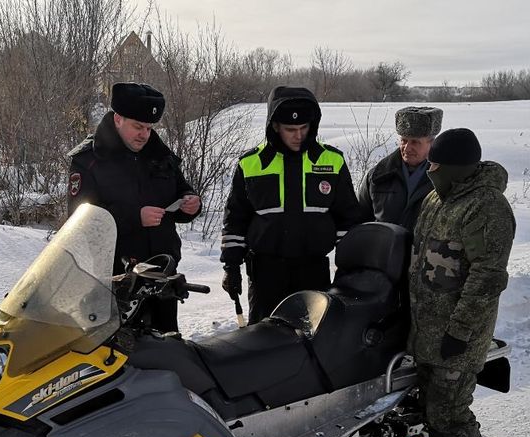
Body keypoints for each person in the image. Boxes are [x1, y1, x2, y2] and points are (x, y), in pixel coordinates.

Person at [397, 128, 515, 437]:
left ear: (456, 168)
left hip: (457, 333)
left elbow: (487, 279)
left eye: (435, 163)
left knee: (451, 411)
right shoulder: (438, 197)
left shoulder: (487, 207)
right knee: (431, 405)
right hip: (427, 328)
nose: (428, 167)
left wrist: (459, 332)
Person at [220, 86, 371, 324]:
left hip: (313, 270)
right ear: (275, 126)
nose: (298, 135)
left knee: (314, 339)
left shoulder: (332, 161)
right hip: (265, 272)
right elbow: (235, 219)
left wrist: (348, 268)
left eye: (304, 128)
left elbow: (348, 220)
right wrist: (231, 265)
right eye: (290, 129)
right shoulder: (251, 164)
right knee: (263, 341)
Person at [67, 82, 201, 333]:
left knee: (167, 353)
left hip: (163, 276)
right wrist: (134, 217)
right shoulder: (90, 161)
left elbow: (181, 190)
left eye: (150, 128)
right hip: (115, 281)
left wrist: (191, 203)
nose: (144, 134)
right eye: (138, 127)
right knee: (118, 359)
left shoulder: (160, 155)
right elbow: (80, 221)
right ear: (118, 119)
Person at [358, 106, 443, 230]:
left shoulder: (444, 179)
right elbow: (359, 221)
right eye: (403, 141)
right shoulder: (377, 176)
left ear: (432, 143)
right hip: (383, 248)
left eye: (415, 142)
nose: (407, 148)